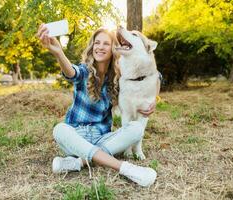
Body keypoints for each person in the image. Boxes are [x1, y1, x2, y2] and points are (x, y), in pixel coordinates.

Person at [37, 24, 160, 187]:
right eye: (97, 43)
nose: (100, 47)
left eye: (106, 43)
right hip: (76, 136)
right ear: (92, 46)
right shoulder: (84, 71)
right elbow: (71, 72)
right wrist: (59, 53)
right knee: (59, 130)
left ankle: (79, 162)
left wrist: (153, 100)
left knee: (137, 129)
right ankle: (125, 168)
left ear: (113, 49)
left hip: (102, 137)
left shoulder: (119, 76)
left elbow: (152, 74)